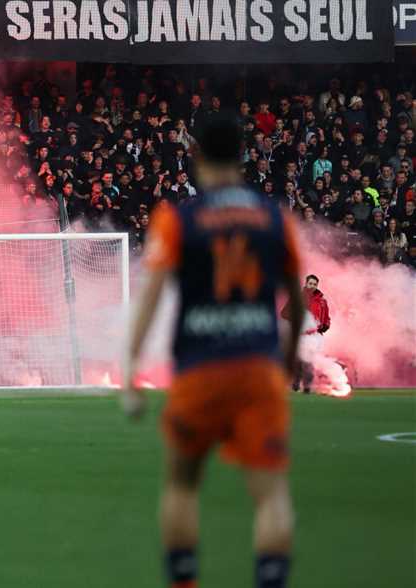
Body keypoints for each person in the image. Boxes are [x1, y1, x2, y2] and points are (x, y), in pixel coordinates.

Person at [122, 113, 305, 588]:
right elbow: (298, 300)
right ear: (243, 158)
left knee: (182, 485)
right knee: (270, 496)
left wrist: (130, 367)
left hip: (200, 370)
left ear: (196, 156)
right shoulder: (272, 217)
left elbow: (152, 295)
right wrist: (286, 362)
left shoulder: (178, 219)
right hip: (257, 368)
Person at [282, 275, 331, 394]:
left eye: (315, 284)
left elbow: (326, 318)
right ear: (306, 283)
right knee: (299, 361)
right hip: (299, 335)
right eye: (310, 283)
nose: (312, 286)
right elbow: (284, 313)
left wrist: (325, 326)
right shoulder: (297, 298)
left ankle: (307, 386)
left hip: (314, 336)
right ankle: (296, 384)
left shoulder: (322, 301)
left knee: (309, 361)